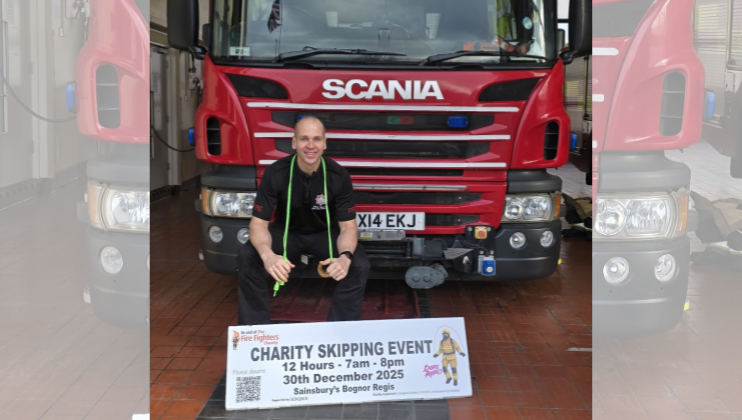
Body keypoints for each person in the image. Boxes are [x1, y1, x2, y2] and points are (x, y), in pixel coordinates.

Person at [237, 116, 370, 325]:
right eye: (304, 139)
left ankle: (341, 331)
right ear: (294, 142)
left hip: (324, 234)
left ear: (325, 143)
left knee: (358, 264)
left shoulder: (338, 175)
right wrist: (268, 255)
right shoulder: (276, 173)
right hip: (286, 232)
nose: (310, 146)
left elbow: (348, 228)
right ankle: (255, 330)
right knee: (248, 256)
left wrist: (344, 257)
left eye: (317, 139)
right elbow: (258, 223)